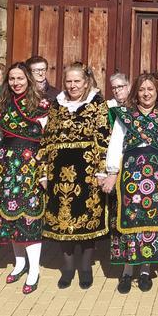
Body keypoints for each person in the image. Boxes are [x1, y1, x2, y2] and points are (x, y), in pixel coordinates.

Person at [38, 62, 110, 290]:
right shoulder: (56, 105)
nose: (72, 86)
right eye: (68, 81)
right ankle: (68, 268)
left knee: (86, 221)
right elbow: (46, 140)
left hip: (87, 173)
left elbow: (104, 139)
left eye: (77, 81)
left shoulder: (98, 104)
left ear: (86, 81)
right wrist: (43, 172)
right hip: (58, 172)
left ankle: (86, 267)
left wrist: (102, 171)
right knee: (62, 222)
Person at [103, 73, 158, 293]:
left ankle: (145, 270)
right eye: (142, 89)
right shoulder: (124, 116)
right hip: (131, 178)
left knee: (150, 222)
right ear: (136, 92)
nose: (146, 94)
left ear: (157, 93)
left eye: (150, 90)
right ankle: (127, 271)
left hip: (157, 179)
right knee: (129, 222)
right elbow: (115, 145)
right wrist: (112, 172)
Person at [0, 62, 50, 294]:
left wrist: (44, 169)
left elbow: (48, 139)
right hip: (6, 164)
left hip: (30, 164)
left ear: (28, 79)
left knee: (29, 215)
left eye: (20, 78)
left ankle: (34, 269)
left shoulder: (41, 105)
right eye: (12, 79)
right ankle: (19, 263)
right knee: (10, 216)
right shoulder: (1, 104)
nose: (16, 82)